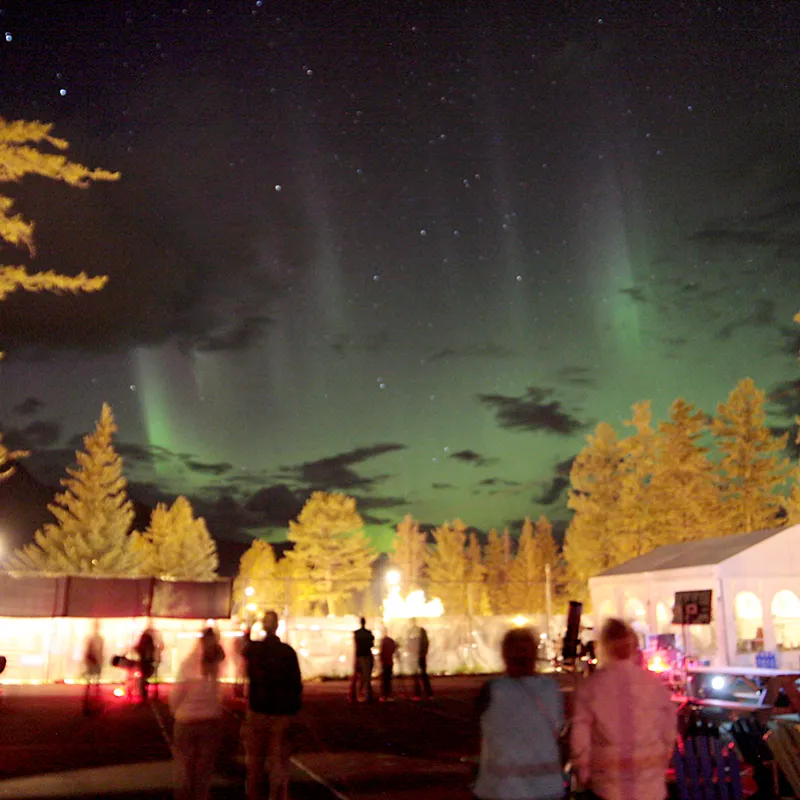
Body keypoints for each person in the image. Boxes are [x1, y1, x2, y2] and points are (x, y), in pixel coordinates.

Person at [570, 618, 678, 800]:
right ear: (633, 647)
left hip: (608, 788)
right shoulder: (654, 685)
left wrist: (583, 772)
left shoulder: (591, 688)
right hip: (651, 788)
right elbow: (668, 733)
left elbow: (580, 738)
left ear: (603, 646)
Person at [474, 627, 565, 800]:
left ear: (505, 655)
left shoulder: (492, 690)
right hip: (548, 787)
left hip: (501, 789)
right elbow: (558, 725)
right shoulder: (551, 689)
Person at [242, 610, 303, 800]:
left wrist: (248, 628)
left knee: (255, 763)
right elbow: (296, 684)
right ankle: (277, 796)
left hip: (258, 710)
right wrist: (293, 709)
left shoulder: (254, 650)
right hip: (281, 713)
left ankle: (254, 796)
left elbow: (244, 649)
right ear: (277, 626)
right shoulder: (287, 652)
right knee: (278, 762)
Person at [169, 627, 226, 800]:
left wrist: (176, 712)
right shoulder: (216, 666)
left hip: (186, 720)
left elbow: (176, 694)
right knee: (204, 770)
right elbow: (218, 696)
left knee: (184, 769)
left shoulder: (188, 664)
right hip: (210, 720)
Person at [349, 617, 375, 703]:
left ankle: (355, 696)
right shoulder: (369, 633)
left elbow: (357, 645)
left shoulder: (357, 633)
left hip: (359, 656)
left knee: (357, 677)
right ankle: (368, 696)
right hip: (367, 656)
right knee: (367, 677)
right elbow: (371, 645)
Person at [83, 621, 105, 715]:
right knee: (95, 680)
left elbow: (89, 650)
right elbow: (98, 650)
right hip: (95, 660)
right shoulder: (97, 638)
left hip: (93, 660)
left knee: (91, 680)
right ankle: (94, 698)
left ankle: (90, 698)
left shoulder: (93, 638)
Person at [408, 618, 433, 700]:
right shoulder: (415, 631)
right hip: (418, 656)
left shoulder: (414, 631)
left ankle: (420, 694)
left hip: (418, 656)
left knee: (419, 676)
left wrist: (421, 653)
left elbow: (411, 643)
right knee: (422, 675)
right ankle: (426, 694)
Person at [136, 626, 157, 703]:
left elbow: (140, 650)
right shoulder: (148, 641)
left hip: (145, 662)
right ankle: (144, 694)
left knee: (143, 678)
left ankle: (144, 694)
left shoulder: (144, 642)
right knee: (144, 678)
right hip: (146, 662)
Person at [378, 628, 397, 702]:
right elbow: (394, 648)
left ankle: (384, 695)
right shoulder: (390, 641)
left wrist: (381, 659)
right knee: (388, 679)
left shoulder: (383, 641)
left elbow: (382, 651)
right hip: (389, 661)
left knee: (384, 679)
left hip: (385, 662)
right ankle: (388, 695)